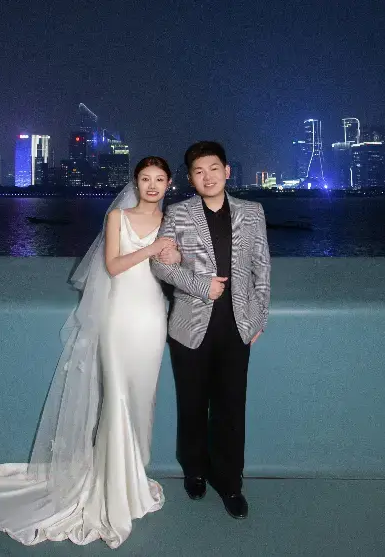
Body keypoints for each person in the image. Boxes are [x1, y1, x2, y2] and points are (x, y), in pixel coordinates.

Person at [0, 157, 181, 548]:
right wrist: (152, 249)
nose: (152, 185)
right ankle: (110, 485)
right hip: (118, 317)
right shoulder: (117, 218)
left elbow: (175, 267)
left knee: (142, 398)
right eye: (145, 178)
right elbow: (113, 265)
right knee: (116, 397)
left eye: (159, 179)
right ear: (135, 182)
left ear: (169, 184)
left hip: (152, 317)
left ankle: (132, 478)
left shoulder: (172, 222)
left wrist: (172, 255)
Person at [149, 141, 271, 520]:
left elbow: (262, 268)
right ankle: (195, 471)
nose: (208, 177)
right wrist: (202, 286)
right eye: (199, 172)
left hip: (237, 327)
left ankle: (230, 482)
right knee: (192, 405)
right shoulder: (178, 213)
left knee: (231, 407)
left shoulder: (252, 212)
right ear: (190, 178)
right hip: (189, 327)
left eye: (214, 169)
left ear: (227, 171)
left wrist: (259, 318)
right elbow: (160, 265)